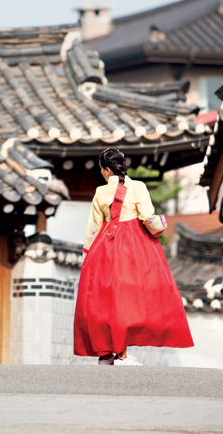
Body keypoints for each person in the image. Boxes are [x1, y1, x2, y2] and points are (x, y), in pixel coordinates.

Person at [74, 148, 193, 366]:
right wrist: (159, 227)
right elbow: (147, 216)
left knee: (105, 301)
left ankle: (108, 352)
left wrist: (88, 254)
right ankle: (122, 353)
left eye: (102, 170)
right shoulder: (138, 187)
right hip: (131, 247)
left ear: (108, 170)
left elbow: (94, 227)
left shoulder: (100, 192)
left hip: (105, 247)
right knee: (130, 298)